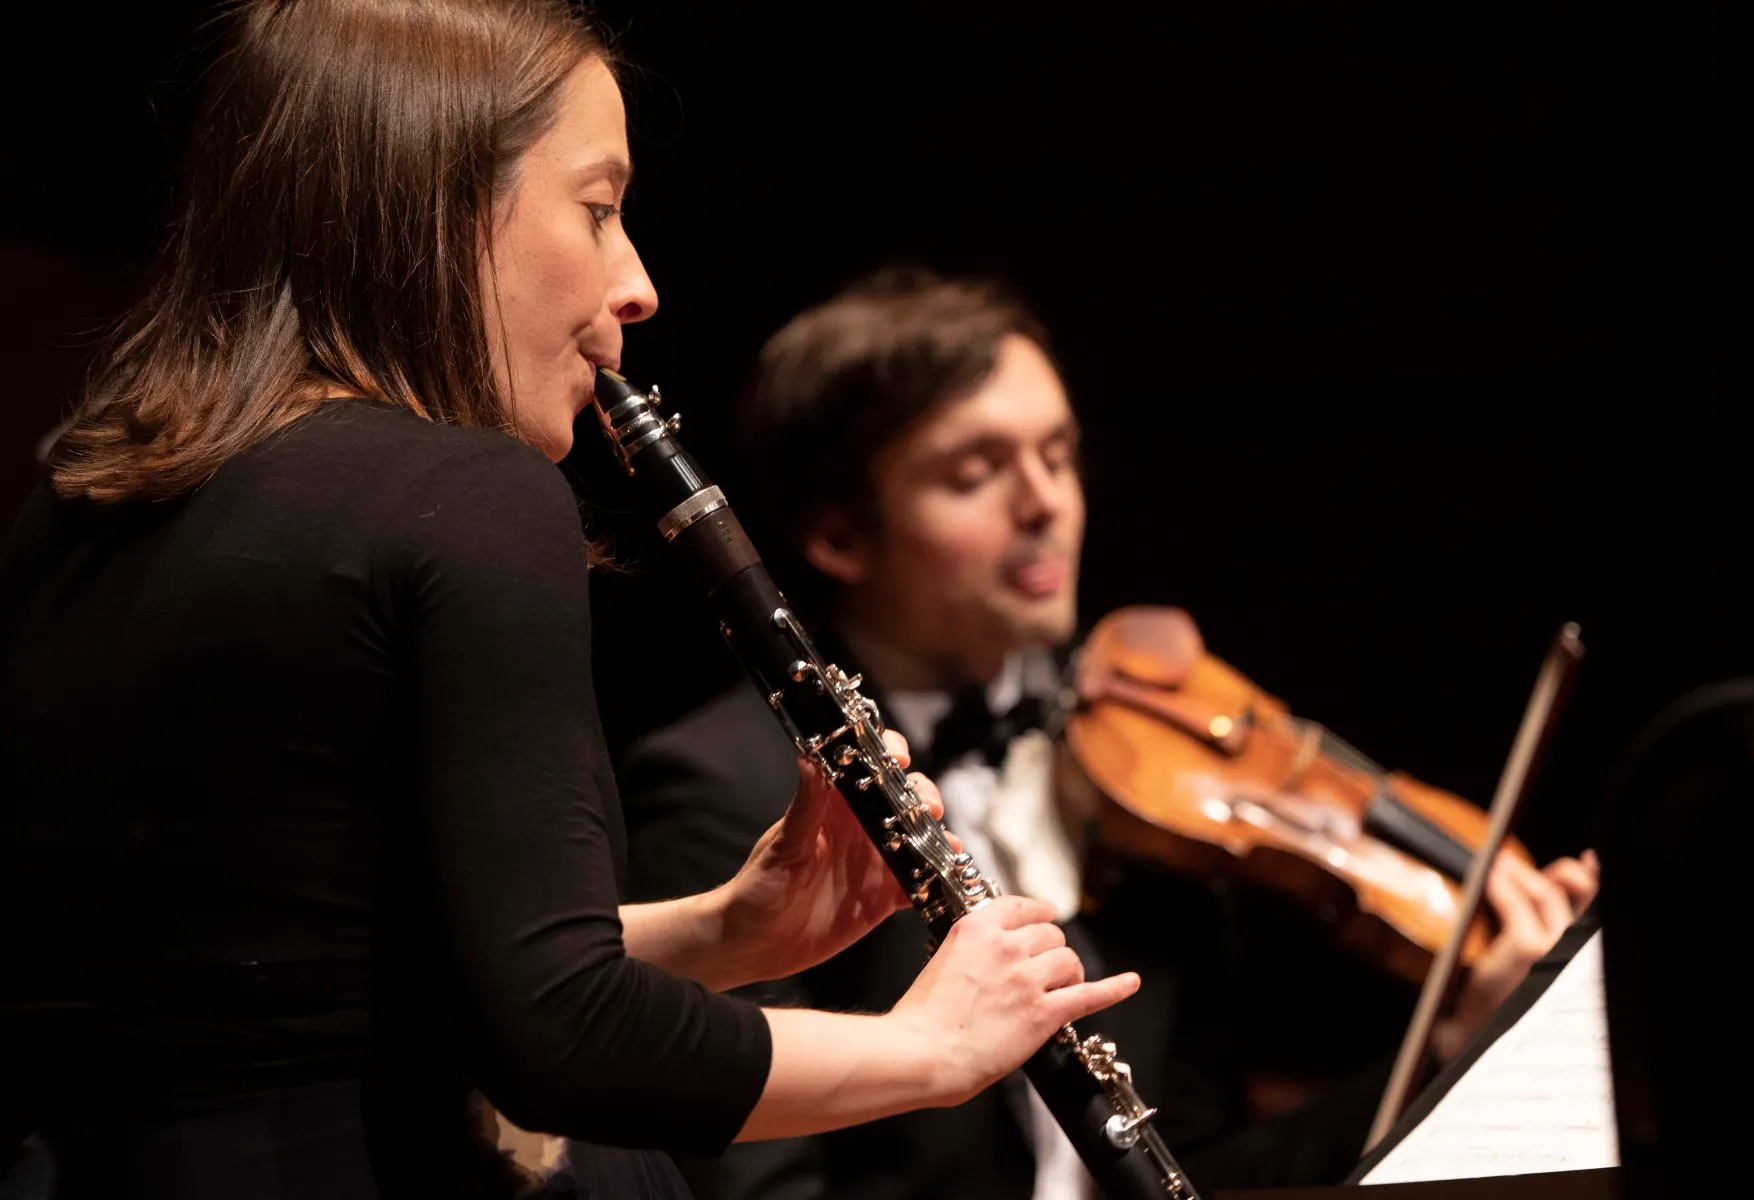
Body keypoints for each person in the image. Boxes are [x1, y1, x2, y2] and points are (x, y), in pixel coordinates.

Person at [0, 5, 1138, 1198]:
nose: (636, 284)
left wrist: (722, 933)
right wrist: (933, 1046)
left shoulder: (84, 494)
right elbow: (563, 1042)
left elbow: (327, 986)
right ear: (433, 211)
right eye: (597, 208)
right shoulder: (465, 495)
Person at [615, 266, 1601, 1199]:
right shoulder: (715, 787)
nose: (1046, 502)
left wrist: (1452, 1043)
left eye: (1056, 455)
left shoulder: (1140, 782)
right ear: (840, 536)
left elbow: (1210, 1166)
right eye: (974, 472)